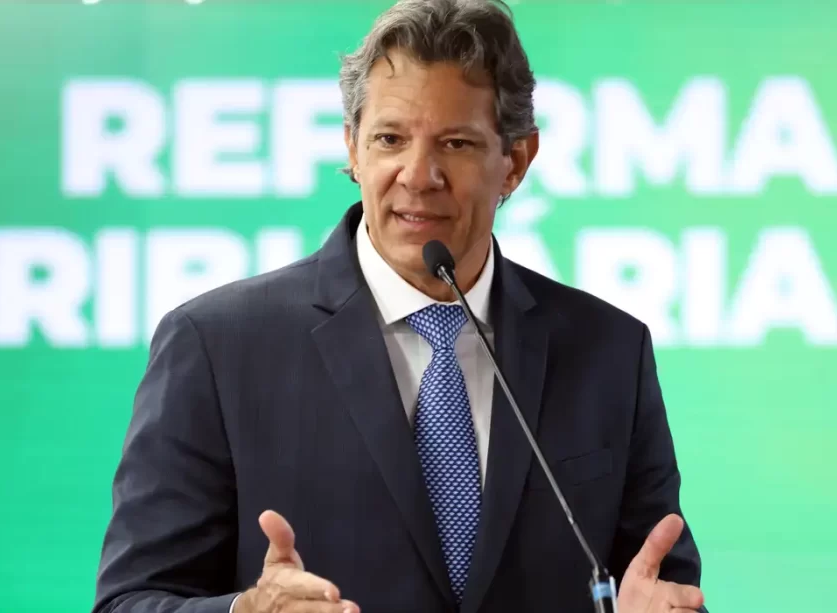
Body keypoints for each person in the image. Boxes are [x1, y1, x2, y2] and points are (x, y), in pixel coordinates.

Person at [92, 1, 708, 612]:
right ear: (353, 148)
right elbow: (130, 602)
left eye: (456, 143)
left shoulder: (608, 350)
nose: (418, 175)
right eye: (390, 139)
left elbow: (664, 589)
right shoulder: (216, 346)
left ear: (515, 161)